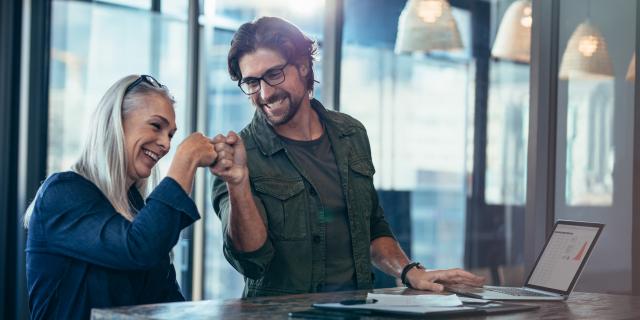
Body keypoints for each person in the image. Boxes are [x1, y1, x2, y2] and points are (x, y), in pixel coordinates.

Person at [211, 17, 484, 297]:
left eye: (274, 74)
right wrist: (238, 184)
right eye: (252, 82)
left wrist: (409, 271)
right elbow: (249, 260)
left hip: (356, 310)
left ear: (303, 66)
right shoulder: (238, 157)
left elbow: (371, 226)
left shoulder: (351, 134)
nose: (265, 93)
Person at [24, 75, 220, 319]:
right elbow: (137, 248)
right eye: (156, 126)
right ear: (115, 122)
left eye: (170, 135)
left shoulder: (139, 210)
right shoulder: (62, 193)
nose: (166, 144)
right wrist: (186, 160)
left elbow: (169, 302)